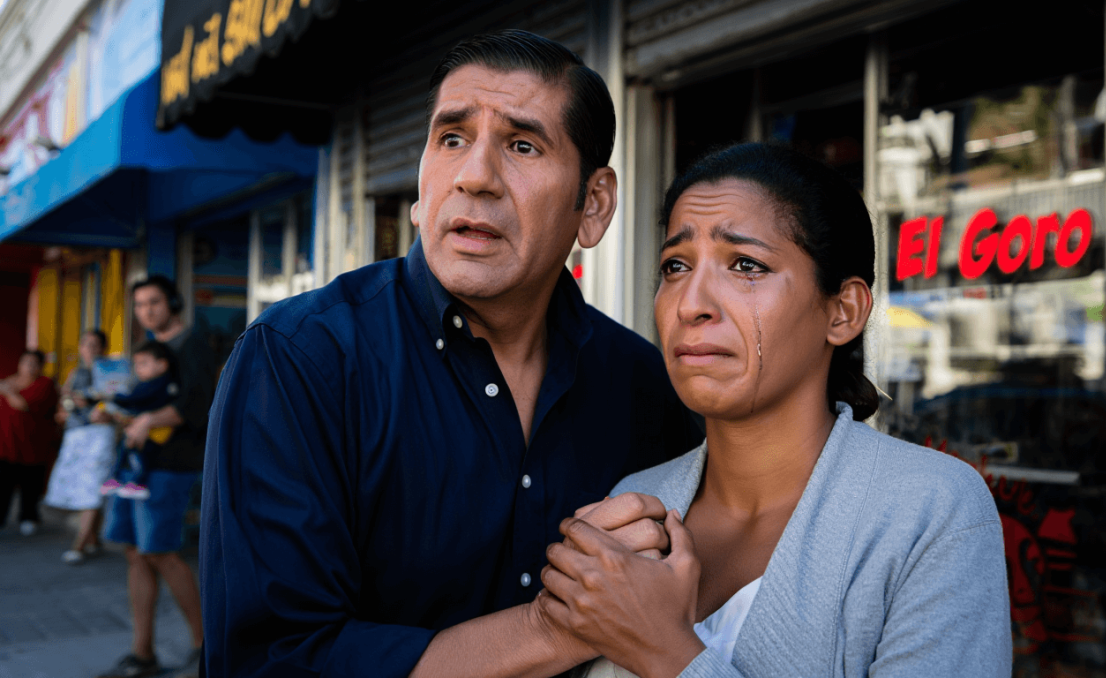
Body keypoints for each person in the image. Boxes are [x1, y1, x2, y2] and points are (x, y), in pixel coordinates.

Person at [201, 30, 703, 678]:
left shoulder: (641, 385)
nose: (474, 177)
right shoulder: (302, 361)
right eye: (452, 138)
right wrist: (556, 626)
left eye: (522, 145)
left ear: (594, 203)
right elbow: (272, 661)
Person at [537, 143, 1012, 677]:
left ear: (843, 311)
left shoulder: (928, 512)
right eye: (676, 266)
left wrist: (663, 650)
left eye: (746, 265)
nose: (691, 304)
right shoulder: (634, 508)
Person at [97, 275, 214, 678]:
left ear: (173, 303)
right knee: (135, 552)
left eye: (154, 302)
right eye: (140, 304)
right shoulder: (147, 352)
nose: (146, 311)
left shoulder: (192, 345)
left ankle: (208, 649)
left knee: (160, 552)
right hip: (135, 466)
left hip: (170, 465)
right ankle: (142, 652)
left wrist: (149, 420)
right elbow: (138, 404)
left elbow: (196, 405)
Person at [45, 329, 118, 563]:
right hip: (77, 434)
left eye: (96, 345)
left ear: (104, 348)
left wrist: (105, 411)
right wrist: (67, 407)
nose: (90, 349)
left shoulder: (112, 372)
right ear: (80, 347)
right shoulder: (76, 372)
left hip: (100, 434)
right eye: (86, 344)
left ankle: (79, 544)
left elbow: (120, 401)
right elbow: (65, 400)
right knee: (83, 485)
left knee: (92, 485)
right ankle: (93, 540)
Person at [97, 340, 178, 501]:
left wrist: (113, 398)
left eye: (143, 363)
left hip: (153, 431)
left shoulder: (158, 383)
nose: (138, 368)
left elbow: (134, 398)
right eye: (136, 364)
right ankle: (117, 478)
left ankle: (137, 482)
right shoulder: (148, 383)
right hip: (140, 428)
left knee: (138, 456)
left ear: (162, 365)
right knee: (126, 451)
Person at [0, 349, 58, 536]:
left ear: (41, 366)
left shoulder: (45, 384)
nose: (29, 367)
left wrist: (7, 390)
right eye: (26, 363)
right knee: (3, 485)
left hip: (34, 446)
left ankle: (28, 517)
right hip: (7, 444)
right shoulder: (11, 381)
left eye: (34, 364)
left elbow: (23, 404)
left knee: (31, 485)